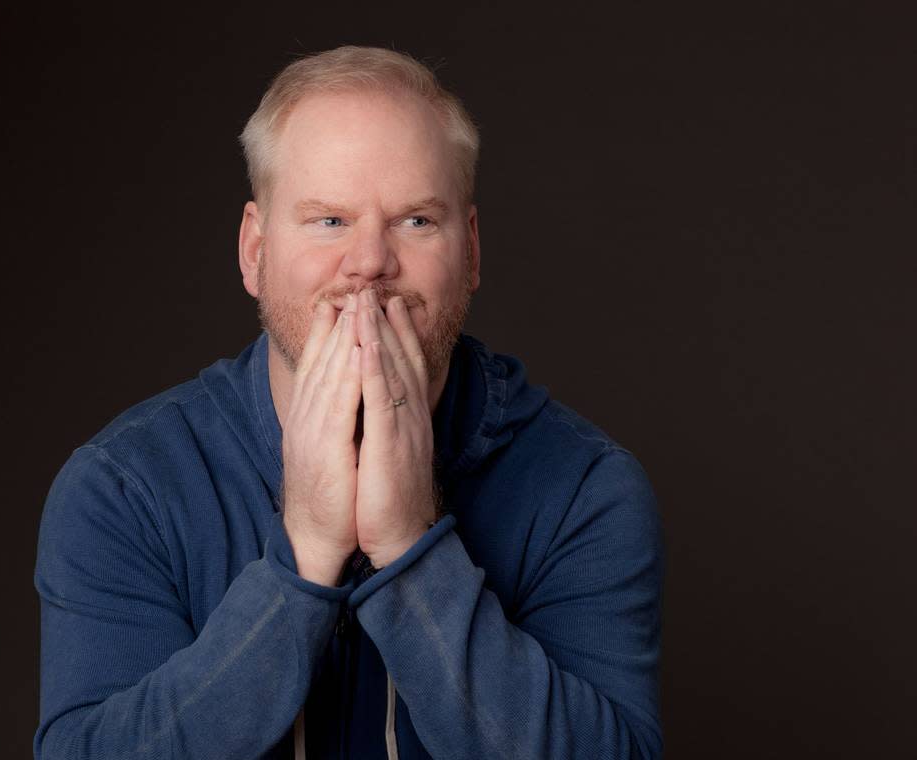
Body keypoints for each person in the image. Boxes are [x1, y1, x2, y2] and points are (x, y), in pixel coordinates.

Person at [34, 46, 663, 759]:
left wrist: (409, 549)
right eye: (329, 220)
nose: (369, 262)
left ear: (473, 251)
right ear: (254, 251)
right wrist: (303, 557)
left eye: (416, 221)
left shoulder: (585, 489)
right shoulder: (125, 488)